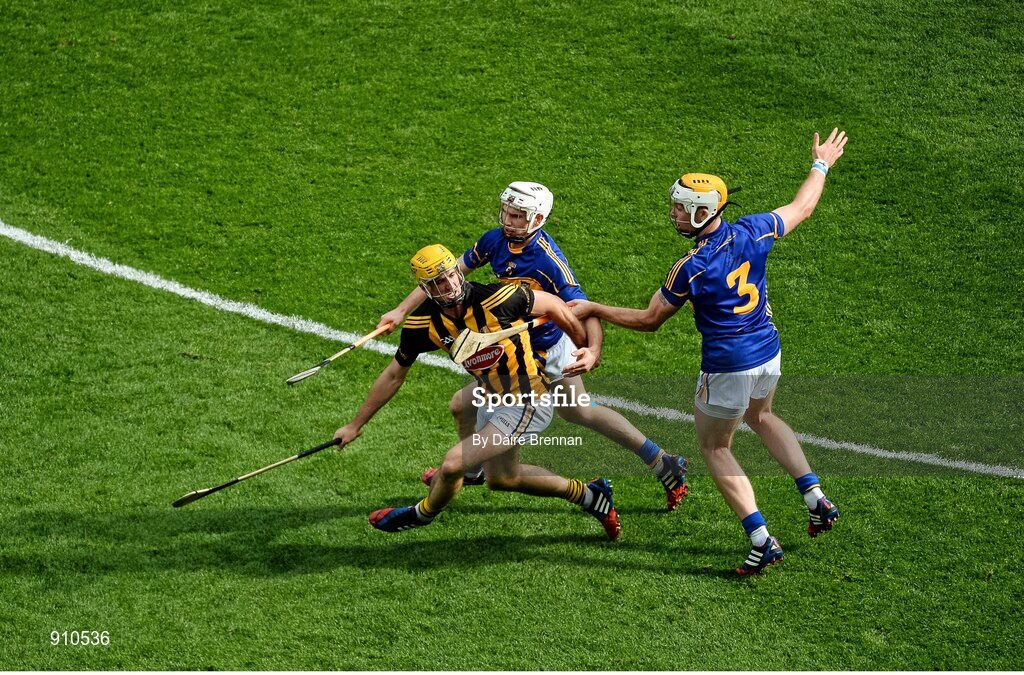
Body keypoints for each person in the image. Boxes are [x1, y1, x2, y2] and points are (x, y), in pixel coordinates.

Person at [570, 129, 848, 574]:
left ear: (702, 212)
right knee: (763, 417)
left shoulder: (691, 267)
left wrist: (594, 307)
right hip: (768, 349)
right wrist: (821, 164)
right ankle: (814, 497)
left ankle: (760, 537)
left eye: (681, 207)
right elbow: (803, 207)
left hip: (728, 365)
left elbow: (649, 320)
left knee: (715, 447)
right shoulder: (754, 230)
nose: (674, 213)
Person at [378, 182, 689, 511]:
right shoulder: (494, 241)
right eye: (507, 212)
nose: (508, 220)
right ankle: (662, 463)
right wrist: (401, 310)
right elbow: (448, 274)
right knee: (565, 411)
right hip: (518, 347)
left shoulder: (547, 260)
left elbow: (584, 308)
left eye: (517, 215)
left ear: (538, 218)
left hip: (545, 354)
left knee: (567, 413)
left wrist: (593, 349)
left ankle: (472, 466)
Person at [334, 244, 621, 539]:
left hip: (528, 400)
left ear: (458, 272)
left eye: (450, 276)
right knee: (503, 478)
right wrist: (355, 425)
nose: (448, 286)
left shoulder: (499, 298)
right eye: (437, 283)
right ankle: (591, 495)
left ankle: (421, 514)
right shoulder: (424, 325)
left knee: (452, 463)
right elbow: (394, 374)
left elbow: (554, 306)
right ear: (425, 288)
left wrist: (584, 348)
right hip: (492, 394)